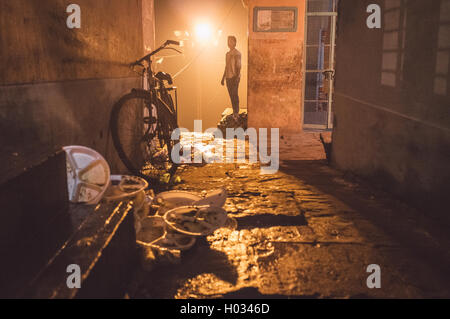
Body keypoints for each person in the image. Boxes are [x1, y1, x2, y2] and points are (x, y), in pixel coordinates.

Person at [221, 36, 242, 119]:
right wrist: (223, 78)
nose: (229, 43)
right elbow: (226, 67)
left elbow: (238, 66)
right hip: (228, 77)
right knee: (231, 95)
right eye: (228, 41)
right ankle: (234, 111)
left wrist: (237, 77)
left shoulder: (237, 53)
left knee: (234, 94)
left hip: (234, 77)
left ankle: (236, 112)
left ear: (235, 42)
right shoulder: (227, 54)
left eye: (231, 41)